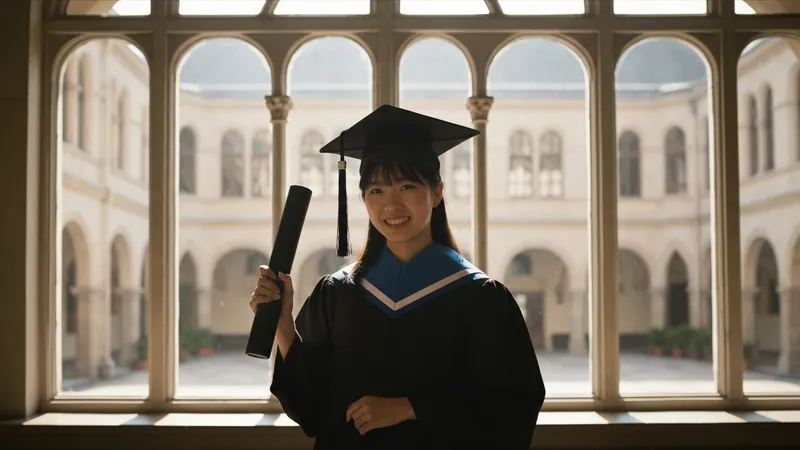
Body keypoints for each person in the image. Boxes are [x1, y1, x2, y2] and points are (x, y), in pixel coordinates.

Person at [249, 105, 546, 450]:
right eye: (376, 190)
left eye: (406, 186)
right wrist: (283, 323)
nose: (391, 204)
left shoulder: (481, 299)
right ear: (362, 199)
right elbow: (311, 408)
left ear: (437, 193)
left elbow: (513, 408)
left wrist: (411, 408)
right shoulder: (338, 294)